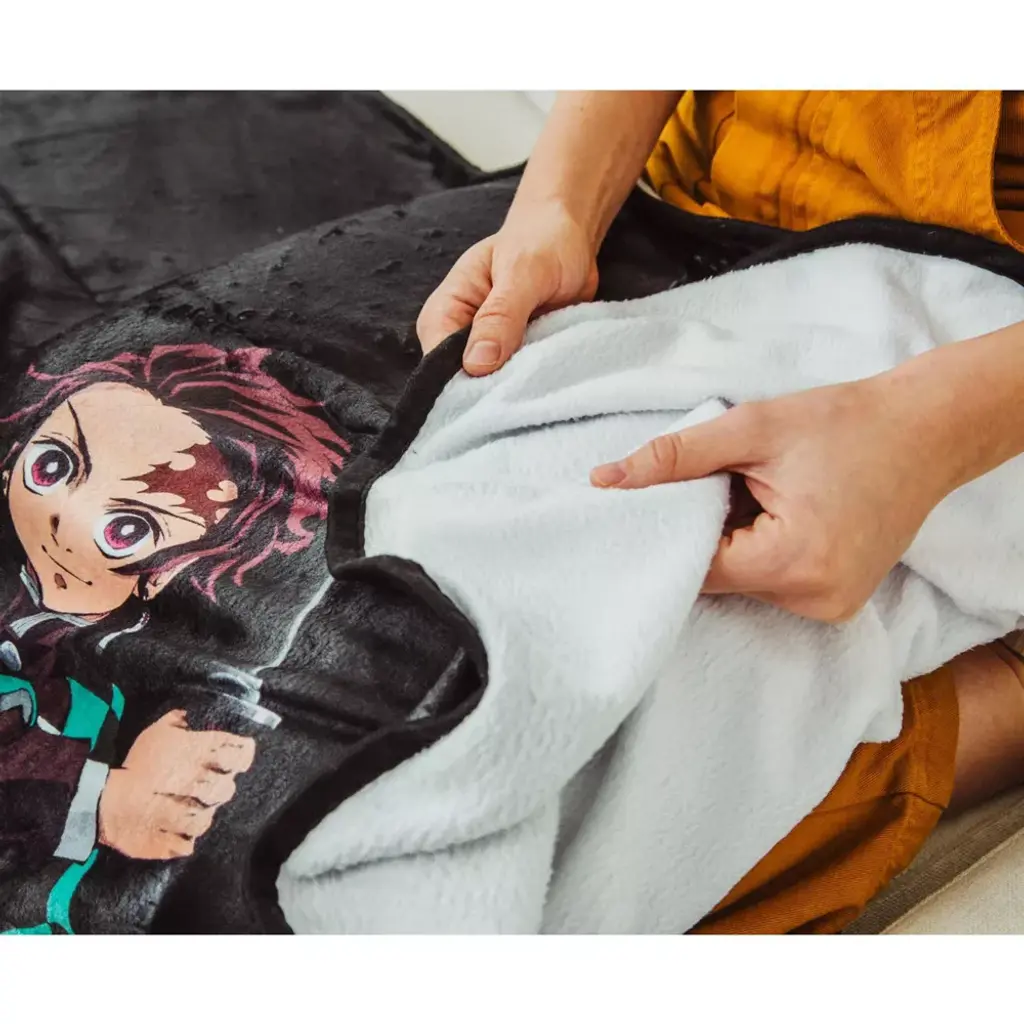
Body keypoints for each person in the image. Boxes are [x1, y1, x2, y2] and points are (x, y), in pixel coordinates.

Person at [417, 91, 1024, 932]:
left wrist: (932, 426)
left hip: (986, 324)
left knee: (607, 788)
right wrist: (559, 207)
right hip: (682, 214)